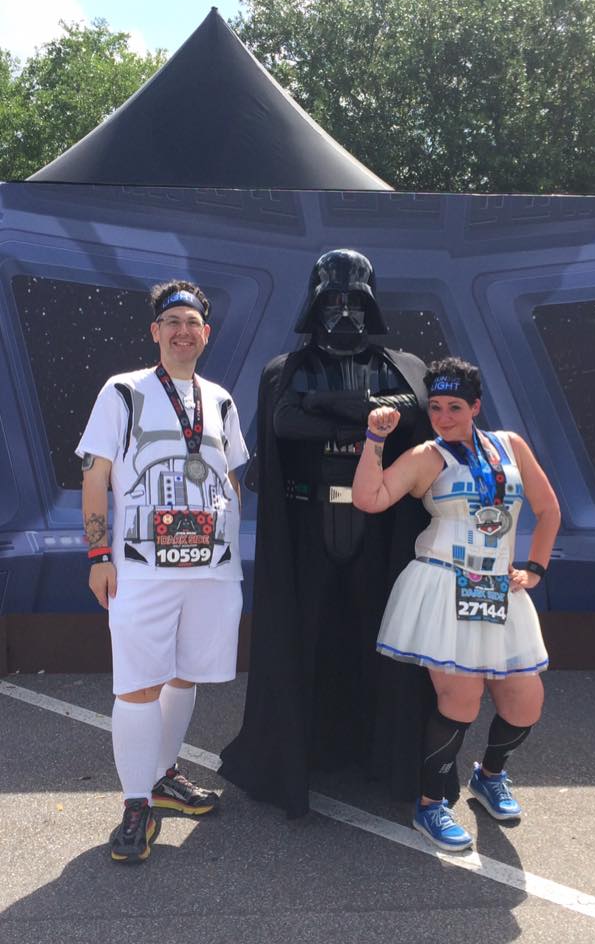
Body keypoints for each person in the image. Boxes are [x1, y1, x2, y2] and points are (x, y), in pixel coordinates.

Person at [220, 248, 456, 817]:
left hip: (383, 530)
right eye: (334, 301)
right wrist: (369, 416)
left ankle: (385, 758)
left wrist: (324, 405)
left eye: (355, 301)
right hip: (308, 526)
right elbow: (286, 423)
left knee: (386, 640)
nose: (344, 312)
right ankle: (298, 758)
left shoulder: (405, 365)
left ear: (370, 305)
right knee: (305, 636)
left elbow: (416, 411)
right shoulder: (287, 368)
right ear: (316, 304)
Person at [352, 356, 561, 851]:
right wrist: (375, 440)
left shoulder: (510, 445)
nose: (443, 417)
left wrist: (535, 568)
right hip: (444, 587)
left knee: (525, 703)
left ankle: (490, 776)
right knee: (460, 700)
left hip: (499, 591)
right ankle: (430, 805)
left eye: (455, 407)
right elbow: (369, 499)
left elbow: (548, 508)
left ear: (476, 407)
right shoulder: (427, 455)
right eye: (436, 407)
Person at [77, 280, 249, 863]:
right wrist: (99, 556)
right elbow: (96, 476)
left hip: (211, 570)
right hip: (141, 568)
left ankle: (163, 776)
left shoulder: (220, 399)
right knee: (139, 682)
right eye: (171, 321)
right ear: (155, 331)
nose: (182, 331)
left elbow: (230, 477)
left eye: (192, 323)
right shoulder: (122, 391)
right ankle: (136, 805)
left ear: (206, 333)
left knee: (185, 675)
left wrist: (230, 550)